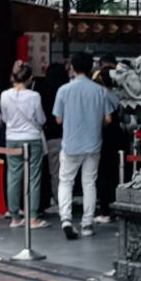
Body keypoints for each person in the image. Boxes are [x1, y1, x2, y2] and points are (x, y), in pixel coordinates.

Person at [53, 51, 114, 240]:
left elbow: (58, 119)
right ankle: (87, 223)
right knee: (89, 183)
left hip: (71, 144)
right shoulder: (100, 91)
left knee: (66, 181)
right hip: (93, 143)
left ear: (72, 66)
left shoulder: (63, 90)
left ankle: (66, 220)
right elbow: (108, 119)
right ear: (90, 68)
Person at [0, 60, 49, 229]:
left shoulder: (4, 95)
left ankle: (14, 216)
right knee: (34, 177)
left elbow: (5, 119)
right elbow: (41, 119)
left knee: (13, 176)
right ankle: (33, 216)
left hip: (12, 138)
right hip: (32, 138)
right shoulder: (34, 96)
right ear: (30, 79)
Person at [35, 62, 68, 214]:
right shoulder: (67, 89)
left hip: (50, 135)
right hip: (68, 134)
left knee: (54, 170)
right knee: (66, 171)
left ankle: (56, 199)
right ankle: (64, 199)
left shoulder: (42, 90)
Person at [94, 65, 125, 224]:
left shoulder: (101, 95)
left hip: (105, 135)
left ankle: (105, 210)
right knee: (114, 173)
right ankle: (115, 206)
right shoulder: (119, 95)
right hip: (118, 135)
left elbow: (106, 119)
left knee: (103, 173)